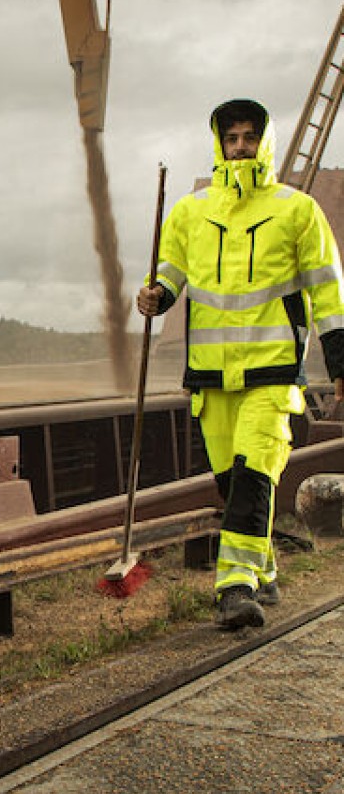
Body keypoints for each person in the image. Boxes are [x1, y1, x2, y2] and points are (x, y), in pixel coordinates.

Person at [138, 98, 344, 630]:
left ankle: (235, 587)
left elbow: (328, 294)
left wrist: (341, 362)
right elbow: (171, 273)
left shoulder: (298, 210)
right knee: (233, 484)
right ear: (219, 143)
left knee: (254, 474)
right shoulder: (189, 212)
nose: (239, 146)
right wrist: (155, 297)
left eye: (249, 136)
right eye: (230, 138)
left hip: (273, 373)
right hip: (210, 378)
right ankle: (266, 568)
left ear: (264, 141)